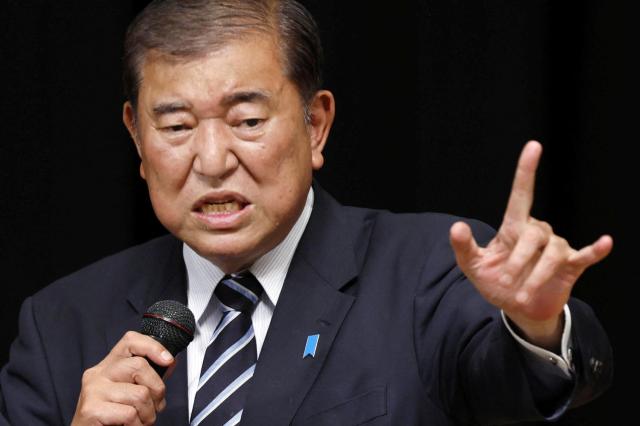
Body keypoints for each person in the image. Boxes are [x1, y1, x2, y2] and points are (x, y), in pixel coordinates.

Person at [0, 0, 613, 425]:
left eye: (247, 121)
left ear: (314, 124)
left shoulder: (427, 271)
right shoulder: (60, 326)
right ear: (137, 138)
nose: (212, 160)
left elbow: (518, 380)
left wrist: (536, 325)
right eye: (177, 125)